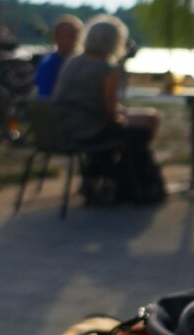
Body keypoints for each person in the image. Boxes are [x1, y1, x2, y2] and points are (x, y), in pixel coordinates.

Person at [52, 15, 162, 203]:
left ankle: (101, 177)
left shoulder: (72, 62)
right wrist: (125, 117)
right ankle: (133, 183)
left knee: (139, 124)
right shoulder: (107, 69)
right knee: (142, 130)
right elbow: (110, 114)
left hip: (64, 129)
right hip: (89, 131)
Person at [34, 15, 83, 98]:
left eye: (71, 36)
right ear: (56, 38)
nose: (67, 40)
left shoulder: (82, 63)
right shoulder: (49, 64)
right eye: (63, 36)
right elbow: (45, 95)